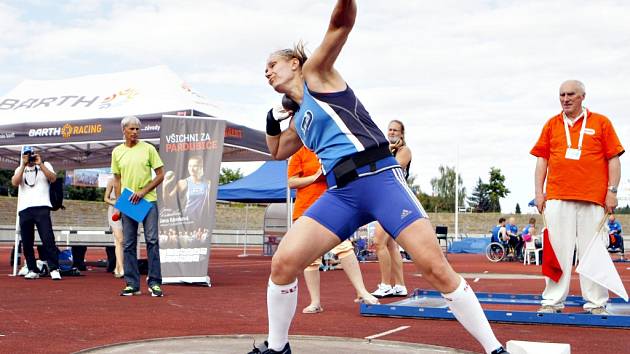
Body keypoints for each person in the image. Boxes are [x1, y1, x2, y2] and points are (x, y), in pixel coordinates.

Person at [250, 2, 508, 353]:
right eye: (263, 70)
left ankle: (494, 348)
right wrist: (271, 120)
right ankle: (277, 348)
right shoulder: (298, 120)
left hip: (379, 179)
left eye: (272, 65)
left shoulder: (317, 74)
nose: (266, 73)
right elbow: (278, 151)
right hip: (341, 194)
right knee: (283, 263)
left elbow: (341, 24)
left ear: (294, 63)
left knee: (435, 267)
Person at [531, 80, 624, 315]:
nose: (565, 98)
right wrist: (538, 192)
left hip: (593, 198)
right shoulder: (552, 124)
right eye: (561, 94)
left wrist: (612, 192)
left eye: (571, 94)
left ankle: (595, 303)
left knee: (593, 251)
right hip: (557, 196)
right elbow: (542, 160)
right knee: (558, 251)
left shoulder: (601, 122)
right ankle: (552, 301)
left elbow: (614, 159)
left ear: (583, 96)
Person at [288, 146, 378, 314]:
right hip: (305, 209)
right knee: (310, 258)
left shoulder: (332, 150)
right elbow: (291, 182)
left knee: (344, 247)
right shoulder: (299, 152)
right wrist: (314, 178)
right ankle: (315, 302)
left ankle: (362, 291)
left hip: (331, 206)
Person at [111, 116, 165, 297]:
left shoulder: (148, 148)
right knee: (128, 244)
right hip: (128, 202)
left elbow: (160, 175)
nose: (135, 132)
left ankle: (155, 283)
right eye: (131, 129)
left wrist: (142, 191)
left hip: (147, 199)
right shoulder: (117, 152)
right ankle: (132, 284)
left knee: (152, 240)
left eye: (137, 129)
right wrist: (118, 203)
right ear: (123, 130)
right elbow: (117, 180)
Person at [371, 120, 411, 298]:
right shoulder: (385, 149)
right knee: (390, 244)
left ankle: (386, 284)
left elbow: (390, 169)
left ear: (402, 134)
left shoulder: (404, 151)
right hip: (384, 198)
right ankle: (400, 285)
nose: (392, 132)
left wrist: (387, 151)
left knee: (379, 241)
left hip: (395, 199)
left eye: (396, 130)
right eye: (390, 129)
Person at [11, 146, 62, 280]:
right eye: (26, 155)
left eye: (31, 154)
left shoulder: (45, 165)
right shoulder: (20, 169)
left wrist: (40, 164)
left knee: (47, 238)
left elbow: (53, 178)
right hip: (25, 208)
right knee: (27, 241)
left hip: (42, 207)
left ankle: (54, 268)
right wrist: (23, 165)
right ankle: (32, 269)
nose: (30, 157)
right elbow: (15, 182)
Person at [162, 155, 211, 227]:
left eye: (195, 166)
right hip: (186, 222)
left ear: (201, 167)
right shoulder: (183, 182)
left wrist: (207, 221)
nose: (192, 169)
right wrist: (165, 187)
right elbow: (168, 202)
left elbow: (208, 205)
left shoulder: (208, 183)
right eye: (190, 166)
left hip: (200, 222)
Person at [104, 176, 124, 278]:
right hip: (114, 211)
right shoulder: (112, 180)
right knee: (120, 240)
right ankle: (121, 268)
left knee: (119, 242)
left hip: (126, 210)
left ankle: (117, 268)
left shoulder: (129, 179)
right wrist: (114, 203)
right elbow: (105, 198)